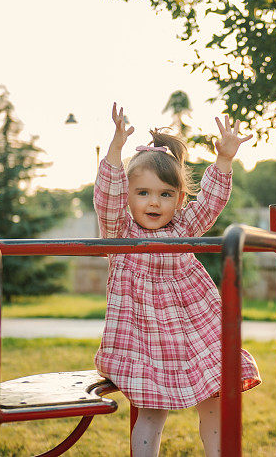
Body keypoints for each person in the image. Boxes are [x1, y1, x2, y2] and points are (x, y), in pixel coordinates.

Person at [94, 103, 259, 457]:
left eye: (165, 194)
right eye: (143, 193)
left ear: (179, 199)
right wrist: (115, 149)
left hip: (194, 333)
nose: (154, 203)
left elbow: (211, 203)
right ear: (128, 196)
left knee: (214, 398)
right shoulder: (120, 232)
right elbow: (106, 198)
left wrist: (225, 160)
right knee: (152, 411)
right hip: (144, 338)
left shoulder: (184, 228)